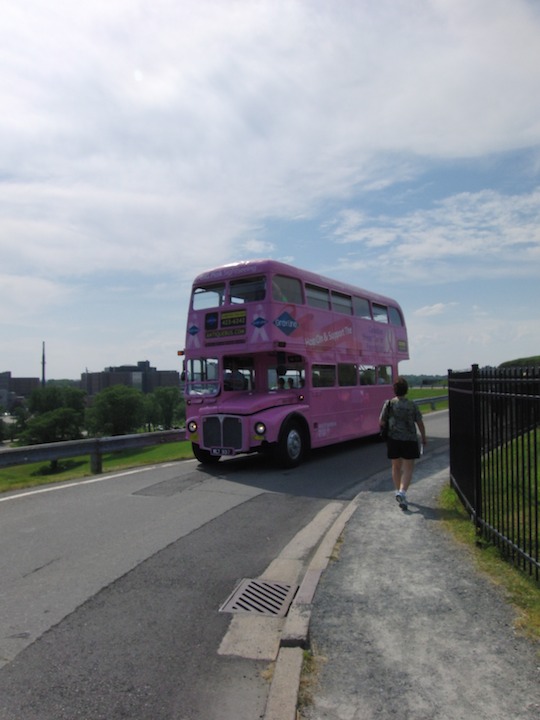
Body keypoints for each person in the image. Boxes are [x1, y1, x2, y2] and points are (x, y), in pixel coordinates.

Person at [379, 377, 427, 509]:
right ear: (406, 390)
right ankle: (402, 492)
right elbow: (420, 423)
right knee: (408, 468)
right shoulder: (412, 405)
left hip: (393, 440)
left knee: (395, 466)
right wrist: (423, 437)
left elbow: (381, 422)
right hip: (409, 439)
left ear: (394, 390)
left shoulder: (388, 404)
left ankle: (397, 491)